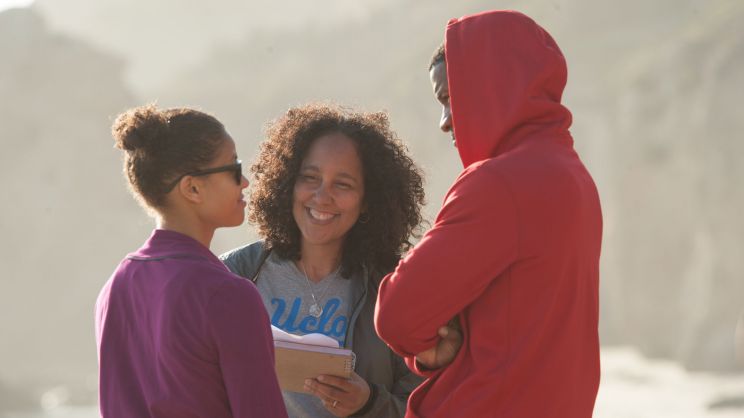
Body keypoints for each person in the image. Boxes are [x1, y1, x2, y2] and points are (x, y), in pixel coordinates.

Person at [374, 10, 603, 417]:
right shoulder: (575, 178)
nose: (445, 123)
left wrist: (429, 347)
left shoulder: (498, 183)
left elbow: (396, 316)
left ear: (493, 83)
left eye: (449, 98)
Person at [220, 103, 426, 417]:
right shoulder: (234, 274)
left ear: (369, 199)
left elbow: (430, 407)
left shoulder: (397, 289)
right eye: (310, 177)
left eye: (342, 184)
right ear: (287, 183)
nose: (321, 196)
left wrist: (368, 403)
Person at [95, 105, 287, 417]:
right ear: (192, 188)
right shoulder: (227, 295)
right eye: (233, 168)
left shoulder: (115, 286)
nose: (245, 182)